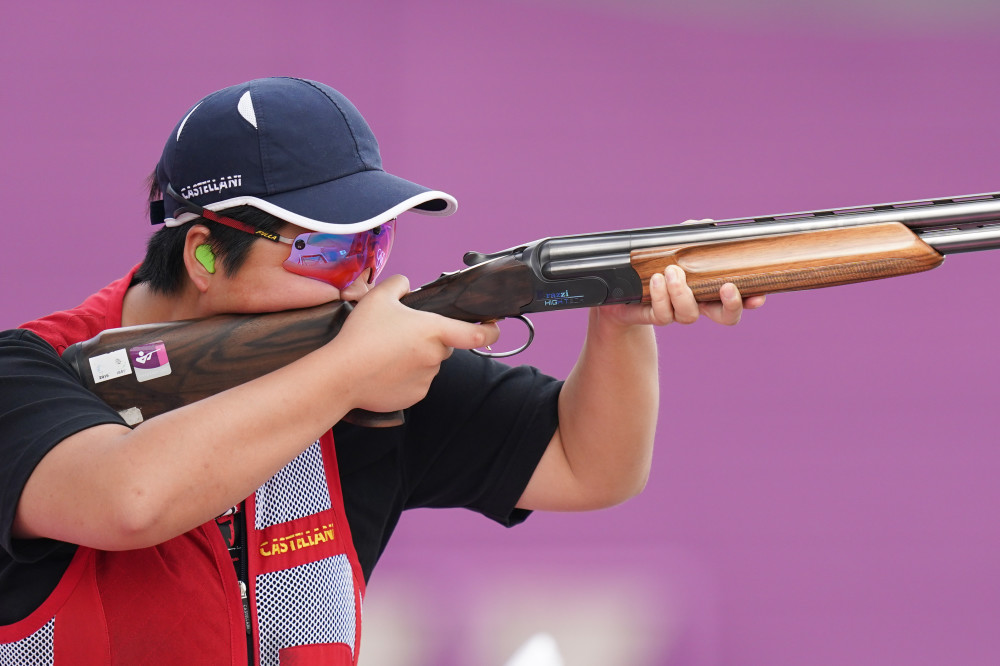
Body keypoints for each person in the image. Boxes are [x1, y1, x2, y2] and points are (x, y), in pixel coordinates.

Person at [0, 77, 764, 665]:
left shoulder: (360, 369)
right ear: (203, 253)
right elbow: (128, 497)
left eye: (377, 245)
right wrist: (348, 371)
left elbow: (590, 466)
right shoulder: (26, 375)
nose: (363, 283)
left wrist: (620, 319)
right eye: (328, 251)